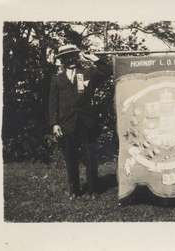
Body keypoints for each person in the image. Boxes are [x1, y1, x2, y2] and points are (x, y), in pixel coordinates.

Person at [49, 44, 112, 200]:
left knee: (90, 157)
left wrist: (94, 58)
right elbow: (52, 103)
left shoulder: (88, 72)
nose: (70, 59)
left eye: (73, 56)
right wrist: (54, 124)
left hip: (87, 123)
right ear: (62, 60)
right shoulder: (57, 79)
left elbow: (108, 71)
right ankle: (74, 190)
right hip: (66, 124)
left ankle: (93, 189)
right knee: (70, 158)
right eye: (66, 57)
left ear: (77, 57)